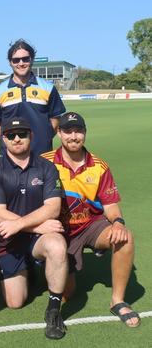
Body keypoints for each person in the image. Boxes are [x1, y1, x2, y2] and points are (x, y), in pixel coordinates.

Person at [42, 112, 139, 327]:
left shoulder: (99, 166)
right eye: (68, 131)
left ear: (85, 133)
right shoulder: (45, 162)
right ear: (59, 133)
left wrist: (118, 223)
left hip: (91, 225)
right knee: (68, 293)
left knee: (125, 238)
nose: (73, 136)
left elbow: (111, 204)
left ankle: (118, 300)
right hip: (59, 230)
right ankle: (50, 264)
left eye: (78, 131)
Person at [0, 117, 68, 339]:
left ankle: (53, 310)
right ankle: (28, 268)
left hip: (35, 237)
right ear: (3, 139)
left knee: (57, 246)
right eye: (11, 135)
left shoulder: (47, 167)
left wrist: (21, 224)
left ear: (31, 136)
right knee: (14, 303)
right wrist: (36, 227)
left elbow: (53, 208)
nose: (17, 139)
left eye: (22, 133)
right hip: (11, 239)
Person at [0, 39, 66, 156]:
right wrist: (12, 142)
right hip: (10, 157)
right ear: (10, 62)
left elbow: (55, 119)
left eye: (25, 59)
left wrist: (43, 138)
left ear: (32, 59)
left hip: (42, 155)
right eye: (16, 60)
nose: (21, 63)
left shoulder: (48, 88)